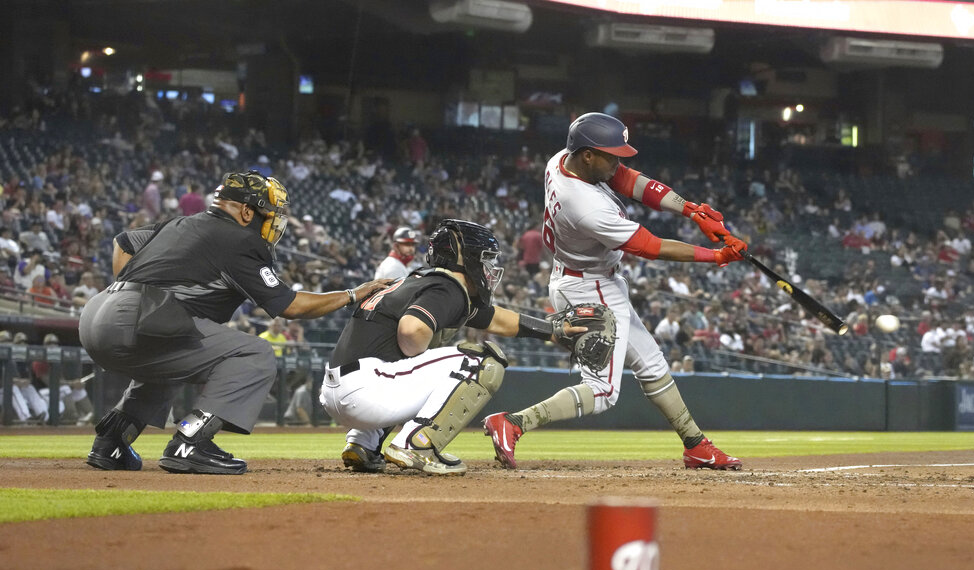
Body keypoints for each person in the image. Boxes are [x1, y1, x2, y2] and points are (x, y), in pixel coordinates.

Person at [483, 112, 748, 471]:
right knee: (603, 392)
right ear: (589, 154)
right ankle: (513, 423)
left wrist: (689, 210)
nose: (618, 161)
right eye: (611, 153)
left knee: (652, 364)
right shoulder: (586, 206)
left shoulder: (563, 159)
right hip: (590, 287)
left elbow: (628, 180)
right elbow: (650, 246)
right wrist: (716, 255)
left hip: (587, 277)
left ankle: (696, 446)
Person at [79, 170, 390, 475]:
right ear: (245, 210)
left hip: (97, 313)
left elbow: (124, 242)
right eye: (269, 214)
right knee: (255, 354)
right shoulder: (241, 239)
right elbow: (291, 306)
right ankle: (191, 442)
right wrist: (352, 293)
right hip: (135, 316)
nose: (273, 221)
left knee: (166, 366)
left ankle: (111, 443)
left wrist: (132, 290)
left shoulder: (180, 224)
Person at [320, 219, 585, 476]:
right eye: (485, 259)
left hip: (339, 390)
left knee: (413, 363)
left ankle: (363, 444)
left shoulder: (418, 281)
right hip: (367, 391)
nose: (488, 267)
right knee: (482, 361)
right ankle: (418, 444)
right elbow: (412, 330)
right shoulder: (449, 288)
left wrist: (553, 332)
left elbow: (496, 318)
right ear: (466, 258)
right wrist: (420, 354)